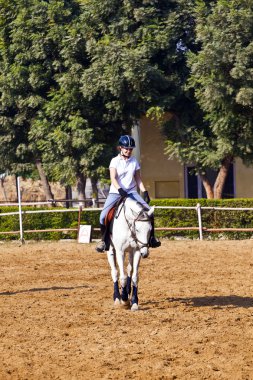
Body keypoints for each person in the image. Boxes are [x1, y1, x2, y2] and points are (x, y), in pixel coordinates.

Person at [96, 134, 161, 253]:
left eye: (131, 149)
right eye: (126, 148)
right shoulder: (114, 161)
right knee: (102, 216)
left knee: (149, 212)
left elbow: (138, 178)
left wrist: (144, 191)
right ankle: (104, 240)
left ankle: (152, 238)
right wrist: (120, 189)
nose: (129, 151)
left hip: (131, 192)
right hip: (116, 192)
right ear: (120, 148)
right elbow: (113, 178)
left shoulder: (134, 161)